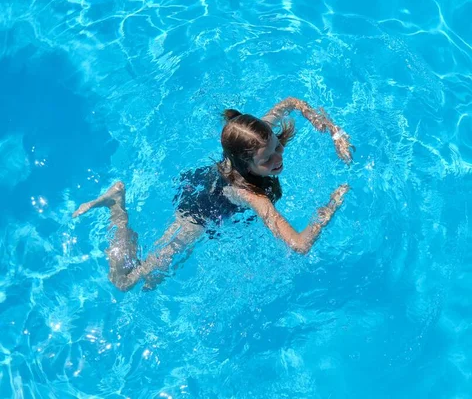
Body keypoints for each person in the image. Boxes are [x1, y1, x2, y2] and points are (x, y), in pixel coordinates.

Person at [72, 97, 354, 291]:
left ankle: (124, 218)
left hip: (205, 179)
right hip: (197, 215)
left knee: (154, 282)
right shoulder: (250, 194)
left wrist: (333, 130)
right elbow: (300, 245)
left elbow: (290, 103)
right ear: (246, 164)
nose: (278, 156)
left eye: (277, 146)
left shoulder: (255, 137)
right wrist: (330, 207)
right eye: (267, 159)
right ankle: (117, 206)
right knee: (127, 282)